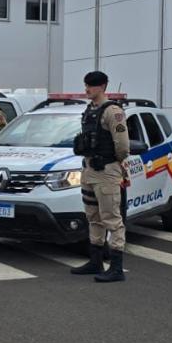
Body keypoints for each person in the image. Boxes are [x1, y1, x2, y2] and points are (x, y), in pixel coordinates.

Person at [71, 70, 130, 283]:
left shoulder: (112, 111)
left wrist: (113, 162)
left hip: (106, 171)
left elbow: (122, 145)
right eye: (86, 84)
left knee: (112, 219)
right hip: (88, 170)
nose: (87, 89)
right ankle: (95, 261)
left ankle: (116, 268)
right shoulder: (89, 110)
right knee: (93, 217)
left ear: (103, 86)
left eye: (91, 85)